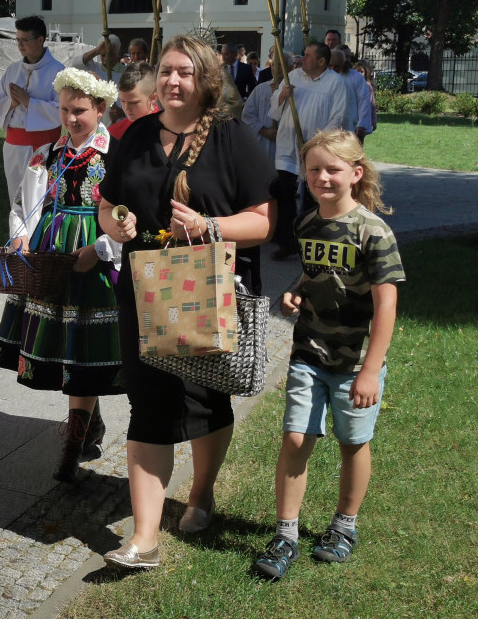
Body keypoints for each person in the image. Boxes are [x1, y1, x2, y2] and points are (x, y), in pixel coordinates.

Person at [98, 35, 275, 569]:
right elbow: (107, 206)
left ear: (205, 81)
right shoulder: (133, 136)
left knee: (205, 398)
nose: (173, 82)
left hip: (206, 286)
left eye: (185, 73)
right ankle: (145, 536)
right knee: (147, 401)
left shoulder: (231, 138)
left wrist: (209, 225)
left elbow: (264, 221)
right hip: (145, 286)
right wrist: (118, 223)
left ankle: (200, 495)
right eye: (167, 72)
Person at [252, 129, 404, 580]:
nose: (322, 177)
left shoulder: (373, 232)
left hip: (355, 362)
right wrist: (295, 293)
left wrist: (371, 371)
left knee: (352, 442)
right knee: (296, 437)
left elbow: (387, 305)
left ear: (355, 174)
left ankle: (344, 525)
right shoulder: (306, 224)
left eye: (332, 169)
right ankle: (285, 534)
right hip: (308, 351)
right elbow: (317, 272)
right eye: (314, 168)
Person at [0, 67, 124, 482]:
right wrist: (22, 237)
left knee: (85, 338)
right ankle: (86, 424)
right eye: (65, 109)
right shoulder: (48, 154)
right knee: (67, 340)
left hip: (93, 253)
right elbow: (23, 202)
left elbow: (125, 215)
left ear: (100, 108)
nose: (70, 118)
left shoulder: (115, 155)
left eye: (79, 110)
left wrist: (101, 248)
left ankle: (79, 433)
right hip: (52, 254)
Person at [268, 43, 348, 260]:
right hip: (288, 146)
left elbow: (338, 117)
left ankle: (310, 242)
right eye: (304, 55)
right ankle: (287, 240)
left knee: (313, 197)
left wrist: (318, 143)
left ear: (322, 62)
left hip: (315, 148)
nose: (303, 59)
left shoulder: (335, 83)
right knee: (283, 190)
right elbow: (274, 109)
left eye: (308, 56)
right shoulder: (293, 76)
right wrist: (282, 96)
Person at [0, 16, 64, 216]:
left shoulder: (58, 72)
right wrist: (11, 103)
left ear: (40, 40)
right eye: (18, 40)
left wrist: (29, 102)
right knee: (16, 198)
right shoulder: (13, 69)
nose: (20, 45)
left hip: (44, 146)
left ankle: (42, 239)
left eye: (25, 40)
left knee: (42, 198)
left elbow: (62, 110)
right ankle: (18, 238)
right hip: (14, 146)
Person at [108, 62, 161, 140]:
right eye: (122, 101)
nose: (126, 108)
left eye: (133, 103)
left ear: (153, 98)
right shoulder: (114, 133)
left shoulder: (164, 130)